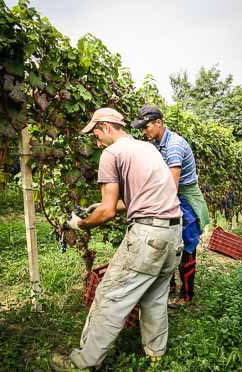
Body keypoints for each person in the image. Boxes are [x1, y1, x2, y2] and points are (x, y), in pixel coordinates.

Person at [51, 107, 183, 370]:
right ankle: (156, 356)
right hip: (173, 233)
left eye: (96, 134)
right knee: (155, 297)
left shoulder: (111, 154)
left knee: (110, 296)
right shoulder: (147, 149)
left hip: (147, 236)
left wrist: (81, 223)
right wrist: (95, 207)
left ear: (107, 127)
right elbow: (140, 199)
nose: (96, 141)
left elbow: (108, 211)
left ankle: (82, 363)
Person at [132, 104, 210, 305]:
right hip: (170, 195)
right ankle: (170, 286)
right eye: (141, 128)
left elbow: (171, 188)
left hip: (184, 200)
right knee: (168, 244)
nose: (143, 132)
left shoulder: (174, 146)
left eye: (146, 126)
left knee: (186, 247)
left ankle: (186, 295)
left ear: (159, 122)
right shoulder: (156, 143)